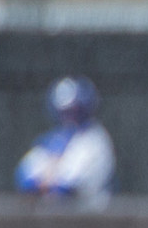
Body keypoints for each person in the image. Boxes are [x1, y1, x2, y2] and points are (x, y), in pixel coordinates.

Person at [15, 76, 116, 208]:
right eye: (65, 112)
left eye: (75, 111)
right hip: (52, 219)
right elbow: (24, 178)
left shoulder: (96, 139)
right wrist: (44, 185)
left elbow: (72, 187)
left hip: (91, 218)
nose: (70, 117)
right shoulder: (51, 140)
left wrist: (49, 183)